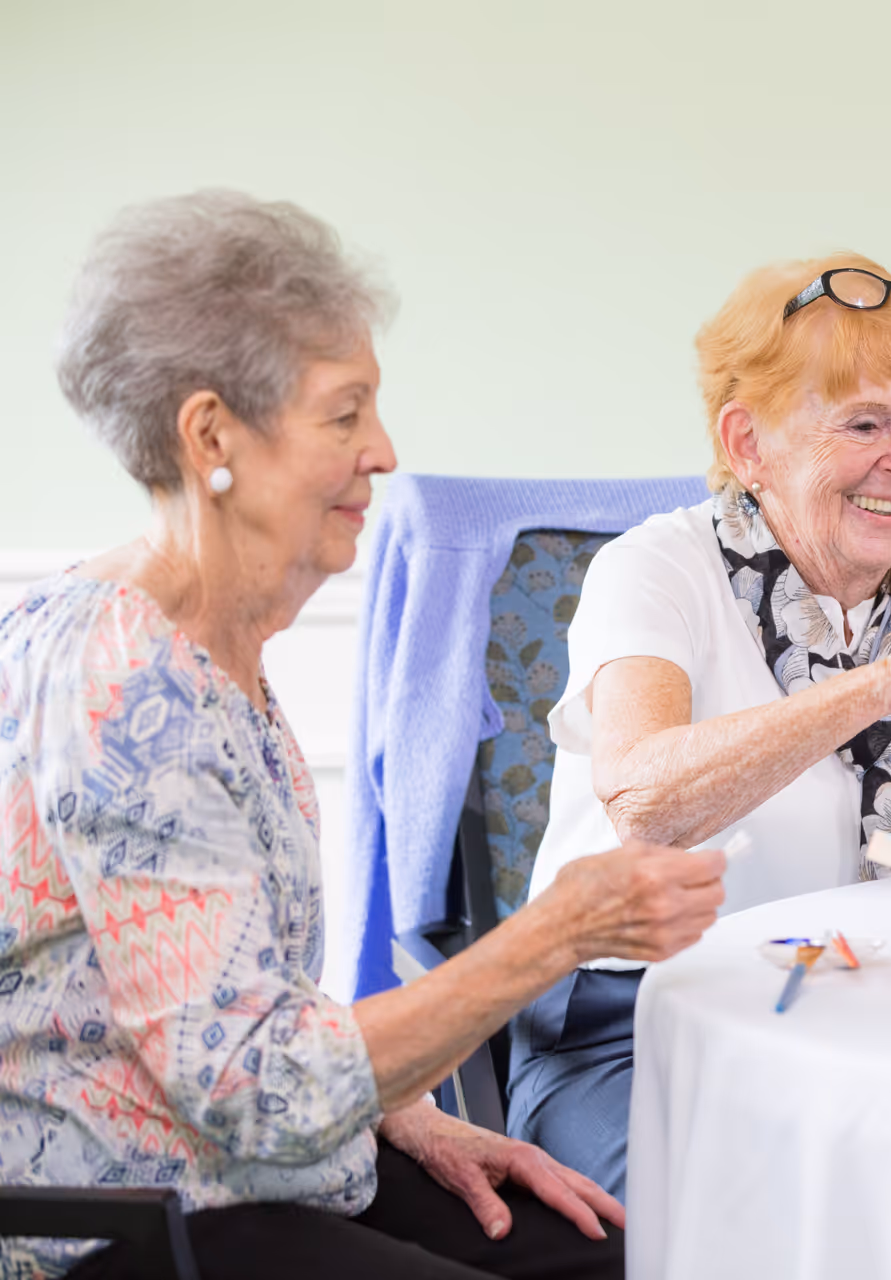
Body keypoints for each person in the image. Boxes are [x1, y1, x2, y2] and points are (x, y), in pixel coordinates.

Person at [0, 191, 726, 1280]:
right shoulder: (127, 683)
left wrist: (396, 1107)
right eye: (343, 415)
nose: (383, 452)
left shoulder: (212, 645)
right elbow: (254, 1080)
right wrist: (559, 930)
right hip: (130, 1220)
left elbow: (226, 998)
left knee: (608, 1252)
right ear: (213, 437)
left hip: (249, 1159)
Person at [511, 254, 891, 1196]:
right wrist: (887, 683)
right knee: (775, 1223)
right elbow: (644, 803)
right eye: (864, 424)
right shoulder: (653, 571)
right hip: (636, 1027)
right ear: (747, 444)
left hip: (884, 1016)